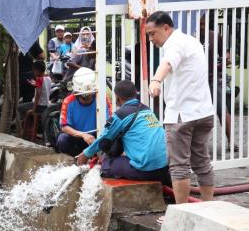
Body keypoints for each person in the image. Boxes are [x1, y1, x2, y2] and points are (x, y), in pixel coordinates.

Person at [146, 11, 214, 204]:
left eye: (153, 33)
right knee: (202, 162)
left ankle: (181, 212)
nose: (151, 39)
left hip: (182, 116)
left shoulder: (174, 44)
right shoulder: (192, 41)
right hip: (204, 112)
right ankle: (209, 207)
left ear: (166, 28)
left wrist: (156, 81)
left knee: (179, 166)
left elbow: (167, 63)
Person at [77, 80, 170, 184]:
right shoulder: (147, 110)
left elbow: (104, 139)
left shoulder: (121, 115)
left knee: (107, 164)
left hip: (145, 170)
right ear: (135, 94)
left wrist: (86, 154)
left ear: (117, 98)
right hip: (165, 167)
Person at [198, 14, 235, 151]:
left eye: (202, 24)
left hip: (211, 79)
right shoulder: (189, 37)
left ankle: (231, 141)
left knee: (222, 111)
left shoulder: (213, 36)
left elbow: (226, 57)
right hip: (196, 81)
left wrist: (220, 63)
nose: (201, 26)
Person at [55, 67, 112, 156]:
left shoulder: (102, 99)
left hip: (96, 137)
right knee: (62, 139)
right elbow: (64, 127)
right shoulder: (68, 101)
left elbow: (109, 123)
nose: (88, 97)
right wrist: (83, 135)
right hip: (76, 136)